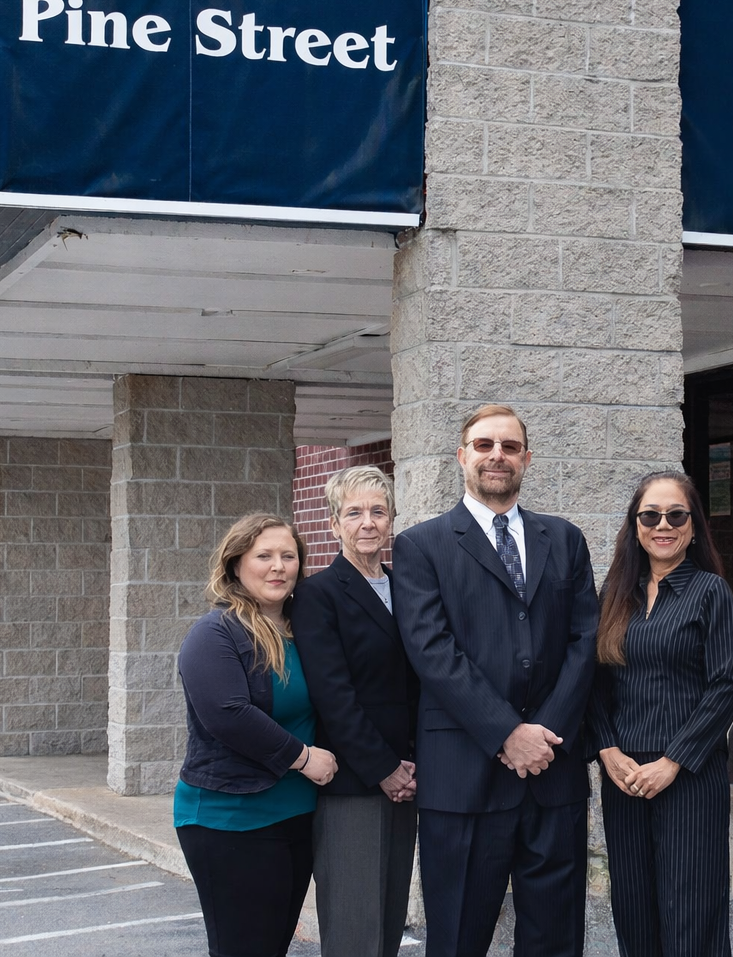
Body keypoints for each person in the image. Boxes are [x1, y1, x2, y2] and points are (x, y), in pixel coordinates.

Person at [392, 404, 600, 957]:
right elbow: (432, 652)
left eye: (509, 447)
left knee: (555, 939)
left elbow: (585, 643)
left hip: (552, 775)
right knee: (459, 937)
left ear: (526, 459)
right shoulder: (421, 545)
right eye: (484, 445)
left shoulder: (565, 539)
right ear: (462, 457)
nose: (496, 456)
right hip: (464, 777)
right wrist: (509, 733)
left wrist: (543, 734)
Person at [588, 471, 733, 957]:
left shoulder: (710, 592)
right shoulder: (615, 594)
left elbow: (727, 685)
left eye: (676, 515)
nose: (663, 525)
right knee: (634, 907)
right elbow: (593, 683)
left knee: (690, 911)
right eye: (650, 515)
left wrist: (672, 761)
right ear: (635, 525)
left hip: (689, 775)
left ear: (693, 526)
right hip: (625, 775)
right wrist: (607, 749)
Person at [175, 512, 339, 957]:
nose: (278, 567)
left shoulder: (302, 631)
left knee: (271, 946)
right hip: (230, 817)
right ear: (235, 565)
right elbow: (228, 715)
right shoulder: (215, 633)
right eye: (263, 555)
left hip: (295, 814)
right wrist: (305, 758)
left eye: (288, 556)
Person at [292, 466, 419, 957]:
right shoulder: (319, 595)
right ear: (332, 524)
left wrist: (410, 766)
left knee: (387, 925)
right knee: (353, 928)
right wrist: (383, 768)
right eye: (354, 512)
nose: (367, 522)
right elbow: (333, 695)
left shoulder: (405, 586)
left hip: (407, 777)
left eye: (378, 511)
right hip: (354, 781)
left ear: (390, 521)